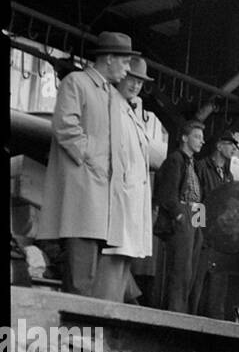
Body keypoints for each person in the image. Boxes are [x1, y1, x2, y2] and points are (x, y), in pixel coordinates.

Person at [34, 31, 138, 299]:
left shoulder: (111, 95)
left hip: (100, 199)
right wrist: (95, 158)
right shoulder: (76, 83)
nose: (127, 70)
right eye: (125, 63)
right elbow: (65, 127)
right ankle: (76, 336)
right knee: (81, 279)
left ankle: (77, 335)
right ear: (110, 59)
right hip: (84, 195)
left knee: (87, 278)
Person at [105, 55, 157, 304]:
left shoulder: (132, 110)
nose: (136, 86)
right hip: (118, 196)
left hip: (133, 199)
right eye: (132, 79)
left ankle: (112, 311)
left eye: (140, 82)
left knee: (123, 256)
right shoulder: (112, 105)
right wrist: (184, 217)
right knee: (113, 256)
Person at [153, 119, 207, 314]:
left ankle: (184, 311)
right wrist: (179, 217)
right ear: (184, 138)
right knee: (181, 269)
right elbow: (168, 194)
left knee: (191, 269)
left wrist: (200, 225)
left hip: (195, 214)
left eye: (202, 137)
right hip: (184, 213)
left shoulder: (194, 164)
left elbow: (199, 195)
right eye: (197, 136)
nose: (202, 141)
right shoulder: (176, 159)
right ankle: (175, 312)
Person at [193, 129, 238, 318]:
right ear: (219, 146)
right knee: (198, 279)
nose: (234, 149)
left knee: (218, 281)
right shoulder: (201, 168)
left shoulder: (229, 176)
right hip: (204, 234)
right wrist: (199, 229)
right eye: (231, 144)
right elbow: (197, 199)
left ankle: (214, 319)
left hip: (220, 236)